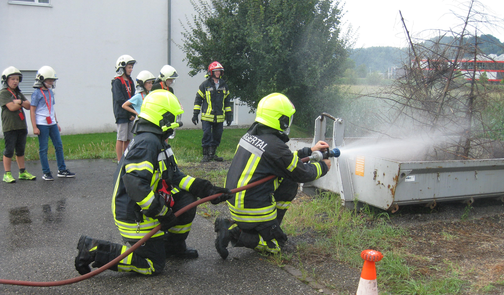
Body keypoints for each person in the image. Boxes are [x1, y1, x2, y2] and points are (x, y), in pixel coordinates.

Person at [75, 90, 230, 276]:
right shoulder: (147, 142)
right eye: (173, 117)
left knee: (186, 200)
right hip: (135, 215)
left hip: (144, 208)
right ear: (162, 117)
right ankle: (94, 249)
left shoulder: (157, 140)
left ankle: (173, 247)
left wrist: (207, 190)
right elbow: (135, 184)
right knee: (152, 265)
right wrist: (161, 212)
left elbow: (176, 177)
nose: (176, 123)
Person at [213, 93, 331, 259]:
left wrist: (309, 151)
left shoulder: (252, 135)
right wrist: (323, 167)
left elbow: (283, 161)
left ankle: (260, 226)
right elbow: (302, 173)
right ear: (281, 120)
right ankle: (234, 233)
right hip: (251, 208)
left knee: (288, 180)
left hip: (237, 201)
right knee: (277, 246)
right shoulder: (275, 146)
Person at [30, 66, 75, 181]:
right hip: (42, 124)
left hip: (52, 123)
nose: (51, 83)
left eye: (52, 81)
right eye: (49, 81)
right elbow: (32, 110)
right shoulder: (36, 93)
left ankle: (62, 169)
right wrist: (34, 126)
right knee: (43, 148)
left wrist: (56, 122)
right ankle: (46, 172)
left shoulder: (50, 92)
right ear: (41, 80)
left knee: (59, 145)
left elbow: (51, 109)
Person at [1, 66, 36, 183]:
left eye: (17, 79)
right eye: (12, 79)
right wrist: (20, 103)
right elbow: (11, 107)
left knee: (20, 150)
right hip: (10, 127)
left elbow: (28, 105)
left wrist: (19, 102)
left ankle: (22, 172)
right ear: (6, 80)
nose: (15, 81)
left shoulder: (18, 93)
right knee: (9, 150)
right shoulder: (4, 93)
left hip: (21, 126)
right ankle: (7, 174)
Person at [192, 61, 233, 163]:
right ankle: (205, 155)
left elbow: (227, 101)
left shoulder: (224, 85)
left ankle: (212, 154)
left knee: (217, 135)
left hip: (219, 117)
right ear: (211, 72)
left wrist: (229, 115)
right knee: (206, 134)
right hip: (207, 116)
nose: (218, 73)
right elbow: (198, 100)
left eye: (219, 71)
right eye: (216, 71)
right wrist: (195, 114)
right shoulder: (205, 85)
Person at [112, 54, 136, 162]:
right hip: (122, 114)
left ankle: (126, 158)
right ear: (122, 68)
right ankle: (119, 160)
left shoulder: (130, 81)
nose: (131, 69)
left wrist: (133, 113)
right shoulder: (117, 82)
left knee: (128, 138)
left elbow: (134, 98)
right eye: (129, 67)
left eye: (131, 67)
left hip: (130, 114)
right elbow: (119, 99)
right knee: (121, 138)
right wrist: (129, 113)